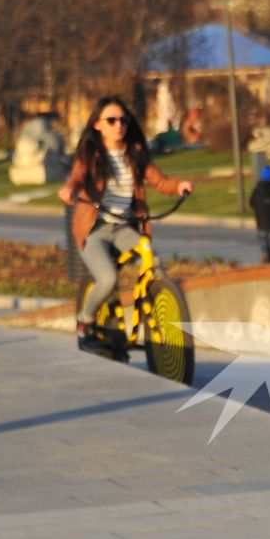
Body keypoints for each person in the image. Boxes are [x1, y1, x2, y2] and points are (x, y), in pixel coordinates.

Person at [60, 96, 194, 353]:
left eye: (123, 120)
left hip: (124, 228)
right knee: (108, 279)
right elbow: (76, 179)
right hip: (95, 229)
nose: (118, 125)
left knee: (152, 262)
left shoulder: (135, 154)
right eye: (111, 120)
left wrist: (179, 186)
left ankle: (151, 315)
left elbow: (159, 181)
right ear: (98, 125)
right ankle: (84, 321)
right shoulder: (90, 155)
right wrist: (68, 190)